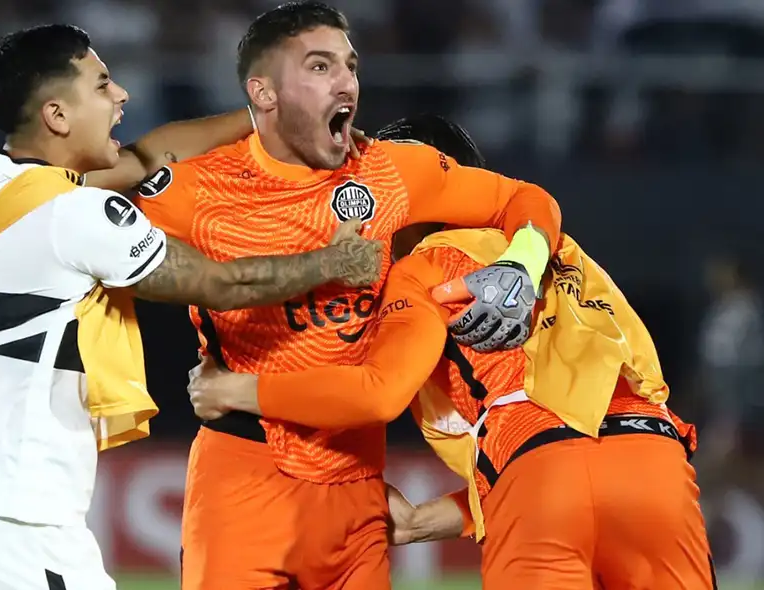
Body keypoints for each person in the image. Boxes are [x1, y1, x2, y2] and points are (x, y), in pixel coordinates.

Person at [0, 24, 381, 590]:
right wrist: (331, 263)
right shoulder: (75, 216)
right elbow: (223, 284)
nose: (122, 97)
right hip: (15, 518)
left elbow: (149, 157)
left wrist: (269, 117)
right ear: (58, 115)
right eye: (102, 84)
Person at [187, 113, 716, 589]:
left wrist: (237, 388)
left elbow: (379, 395)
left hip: (539, 476)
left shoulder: (424, 268)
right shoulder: (569, 255)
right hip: (657, 461)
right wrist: (422, 521)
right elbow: (589, 434)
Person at [133, 3, 563, 588]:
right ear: (264, 93)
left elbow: (524, 199)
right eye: (319, 66)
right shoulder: (198, 190)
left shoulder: (389, 173)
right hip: (244, 478)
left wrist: (523, 263)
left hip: (361, 486)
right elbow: (91, 195)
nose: (346, 82)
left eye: (350, 66)